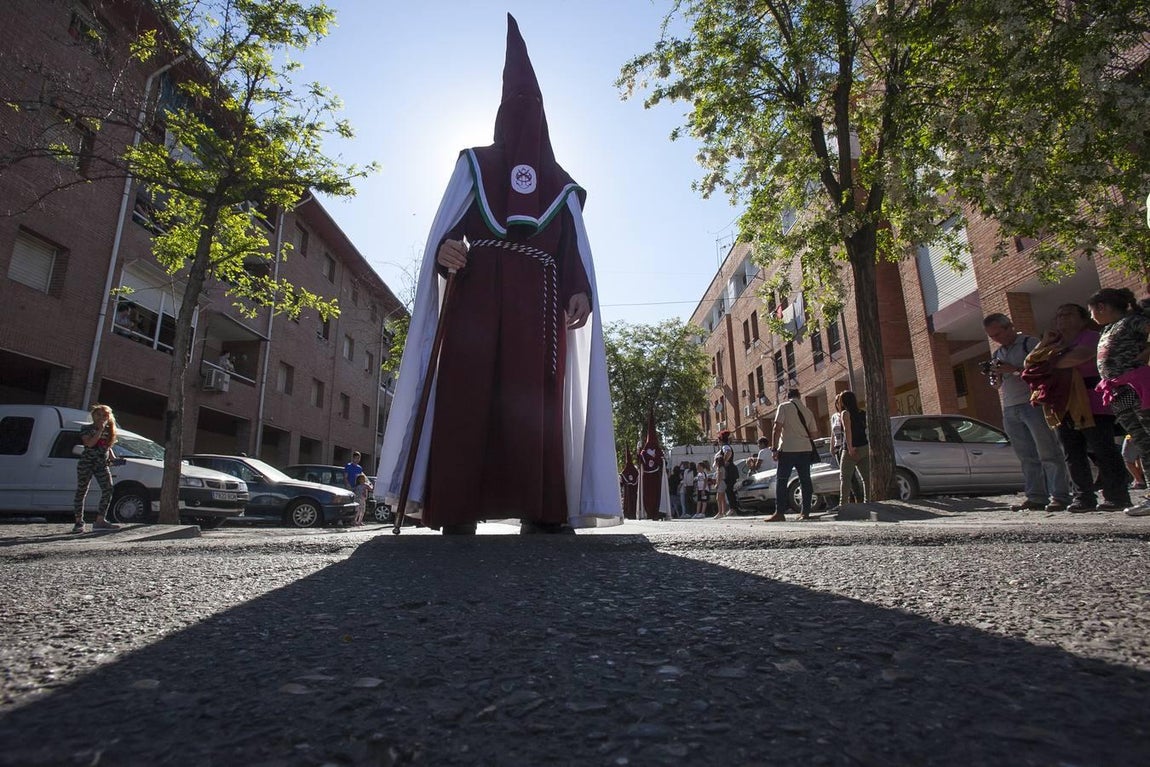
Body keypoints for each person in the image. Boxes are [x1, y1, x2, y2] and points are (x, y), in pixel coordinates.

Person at [375, 15, 622, 535]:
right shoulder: (474, 166)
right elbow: (446, 233)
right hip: (476, 302)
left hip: (539, 308)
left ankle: (543, 509)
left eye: (531, 114)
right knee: (469, 397)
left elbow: (574, 248)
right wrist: (446, 253)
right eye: (515, 113)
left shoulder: (563, 187)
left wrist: (579, 290)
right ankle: (457, 508)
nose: (523, 123)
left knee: (534, 407)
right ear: (499, 117)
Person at [1026, 304, 1130, 511]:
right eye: (1059, 315)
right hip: (1062, 403)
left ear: (1083, 319)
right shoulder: (1053, 342)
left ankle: (1117, 496)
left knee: (1103, 449)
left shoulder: (1091, 337)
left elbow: (1075, 358)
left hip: (1092, 401)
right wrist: (1045, 345)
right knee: (1072, 453)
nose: (1062, 318)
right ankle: (1083, 497)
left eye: (1068, 314)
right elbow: (1030, 364)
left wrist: (1047, 361)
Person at [983, 313, 1072, 512]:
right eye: (993, 336)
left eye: (999, 333)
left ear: (1010, 327)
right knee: (1026, 455)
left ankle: (1060, 495)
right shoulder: (997, 354)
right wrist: (995, 375)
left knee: (1048, 451)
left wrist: (1013, 370)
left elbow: (1041, 369)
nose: (997, 339)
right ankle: (1036, 496)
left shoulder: (1029, 343)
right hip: (1010, 406)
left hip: (1033, 403)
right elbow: (997, 385)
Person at [1087, 288, 1150, 516]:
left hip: (1137, 387)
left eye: (1092, 310)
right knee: (1142, 442)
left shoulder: (1131, 322)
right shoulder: (1108, 329)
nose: (1091, 315)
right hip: (1118, 392)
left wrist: (1145, 354)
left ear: (1101, 307)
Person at [770, 388, 819, 521]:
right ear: (800, 396)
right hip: (805, 449)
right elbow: (814, 434)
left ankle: (779, 513)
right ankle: (805, 512)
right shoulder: (808, 411)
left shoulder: (784, 407)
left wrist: (774, 449)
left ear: (788, 396)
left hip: (788, 448)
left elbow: (777, 427)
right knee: (805, 480)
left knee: (782, 480)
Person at [72, 404, 121, 533]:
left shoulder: (109, 431)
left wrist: (113, 458)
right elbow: (89, 443)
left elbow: (107, 446)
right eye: (98, 415)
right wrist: (99, 430)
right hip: (87, 463)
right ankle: (78, 522)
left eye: (104, 416)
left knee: (108, 489)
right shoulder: (86, 428)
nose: (101, 418)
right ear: (93, 416)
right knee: (82, 490)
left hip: (101, 464)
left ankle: (100, 519)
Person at [837, 390, 870, 505]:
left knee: (845, 478)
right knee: (866, 478)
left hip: (851, 449)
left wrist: (850, 448)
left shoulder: (845, 413)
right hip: (864, 446)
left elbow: (847, 430)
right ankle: (868, 502)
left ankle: (843, 504)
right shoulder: (862, 412)